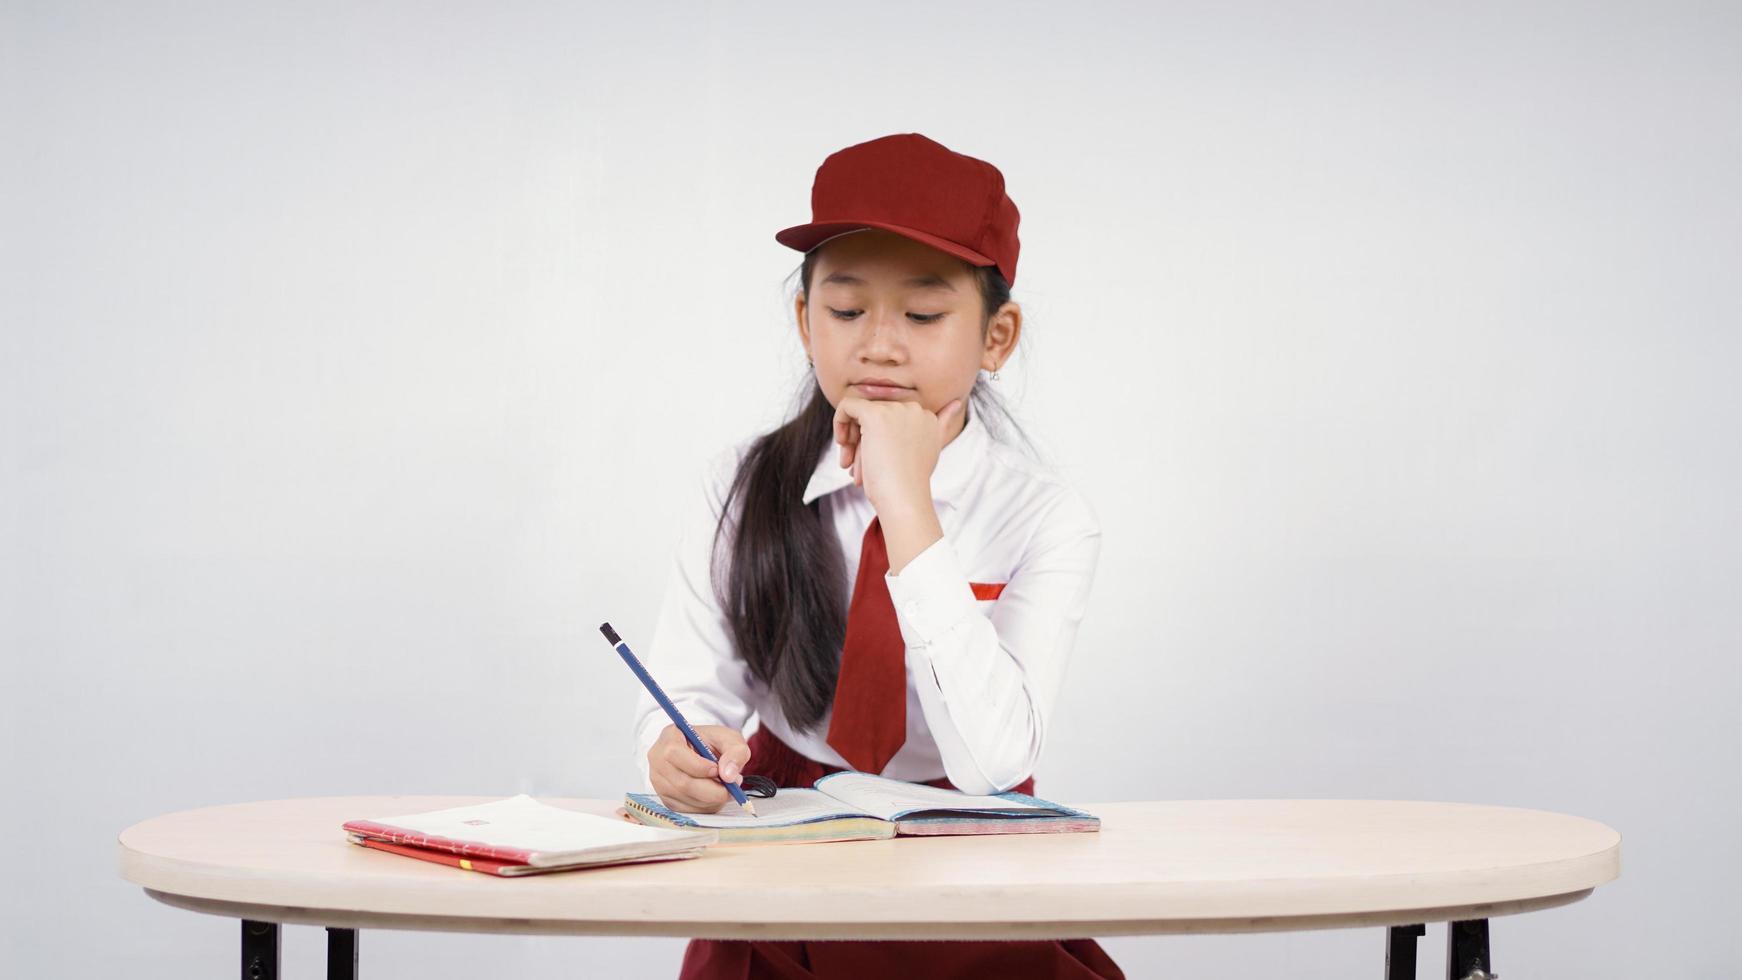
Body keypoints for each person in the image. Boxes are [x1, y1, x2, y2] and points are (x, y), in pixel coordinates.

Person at [631, 132, 1121, 980]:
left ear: (996, 337)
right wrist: (677, 745)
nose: (881, 345)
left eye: (925, 316)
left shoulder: (1046, 516)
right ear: (803, 322)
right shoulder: (743, 485)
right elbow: (692, 687)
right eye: (847, 311)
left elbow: (993, 764)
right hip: (781, 845)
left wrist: (906, 503)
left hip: (974, 867)